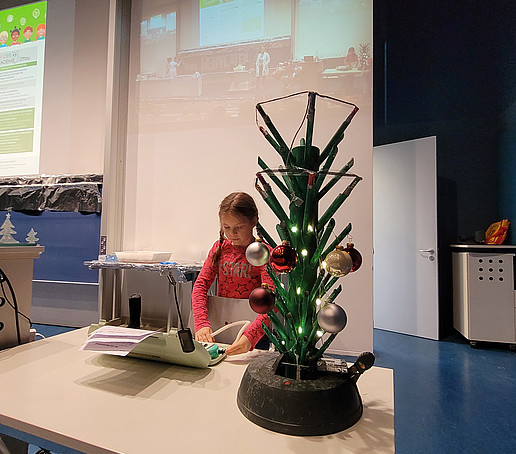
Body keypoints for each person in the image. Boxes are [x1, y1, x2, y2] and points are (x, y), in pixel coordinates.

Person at [192, 192, 273, 355]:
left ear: (253, 221)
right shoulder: (219, 248)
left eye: (239, 227)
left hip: (255, 336)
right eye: (226, 227)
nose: (232, 234)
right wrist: (201, 324)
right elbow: (200, 286)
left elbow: (271, 301)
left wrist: (249, 337)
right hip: (222, 330)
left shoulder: (262, 253)